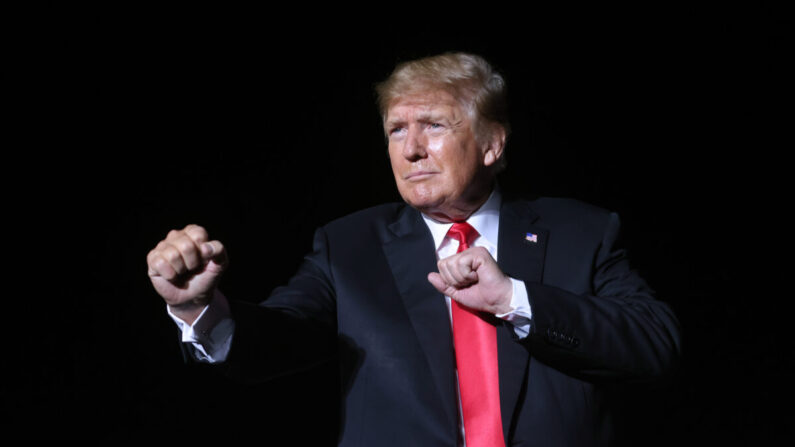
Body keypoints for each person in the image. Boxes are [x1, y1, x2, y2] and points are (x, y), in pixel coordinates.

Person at [146, 52, 681, 447]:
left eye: (433, 125)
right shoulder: (348, 245)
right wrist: (198, 308)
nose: (411, 148)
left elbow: (655, 344)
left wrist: (514, 300)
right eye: (396, 129)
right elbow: (278, 338)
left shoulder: (580, 230)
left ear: (493, 144)